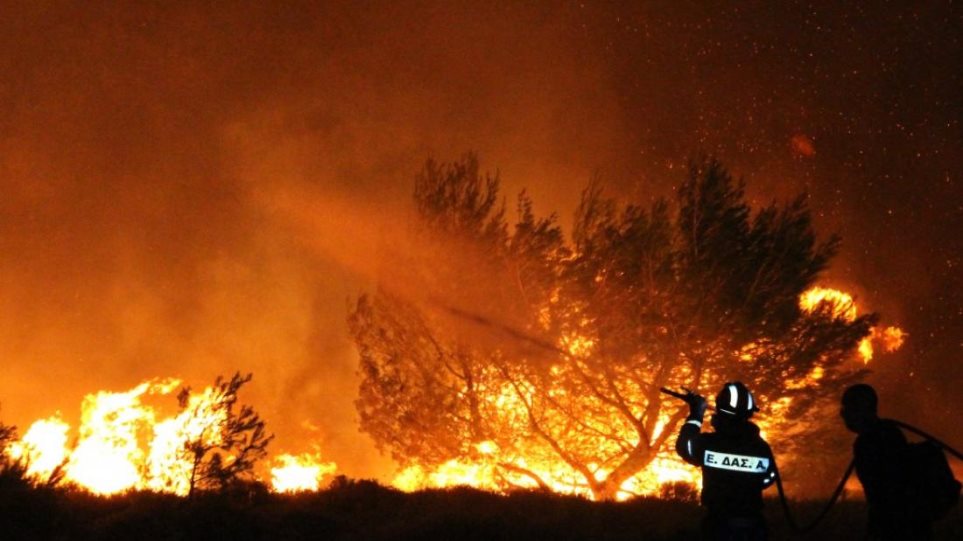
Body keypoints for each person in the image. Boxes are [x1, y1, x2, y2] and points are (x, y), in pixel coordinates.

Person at [675, 381, 776, 541]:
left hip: (718, 523)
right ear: (749, 413)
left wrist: (696, 414)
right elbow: (768, 478)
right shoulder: (761, 448)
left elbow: (684, 446)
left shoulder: (710, 443)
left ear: (719, 410)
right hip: (753, 525)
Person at [840, 383, 933, 540]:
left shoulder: (869, 441)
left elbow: (886, 491)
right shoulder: (888, 431)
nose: (843, 414)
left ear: (860, 410)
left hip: (896, 525)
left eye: (847, 408)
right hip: (912, 522)